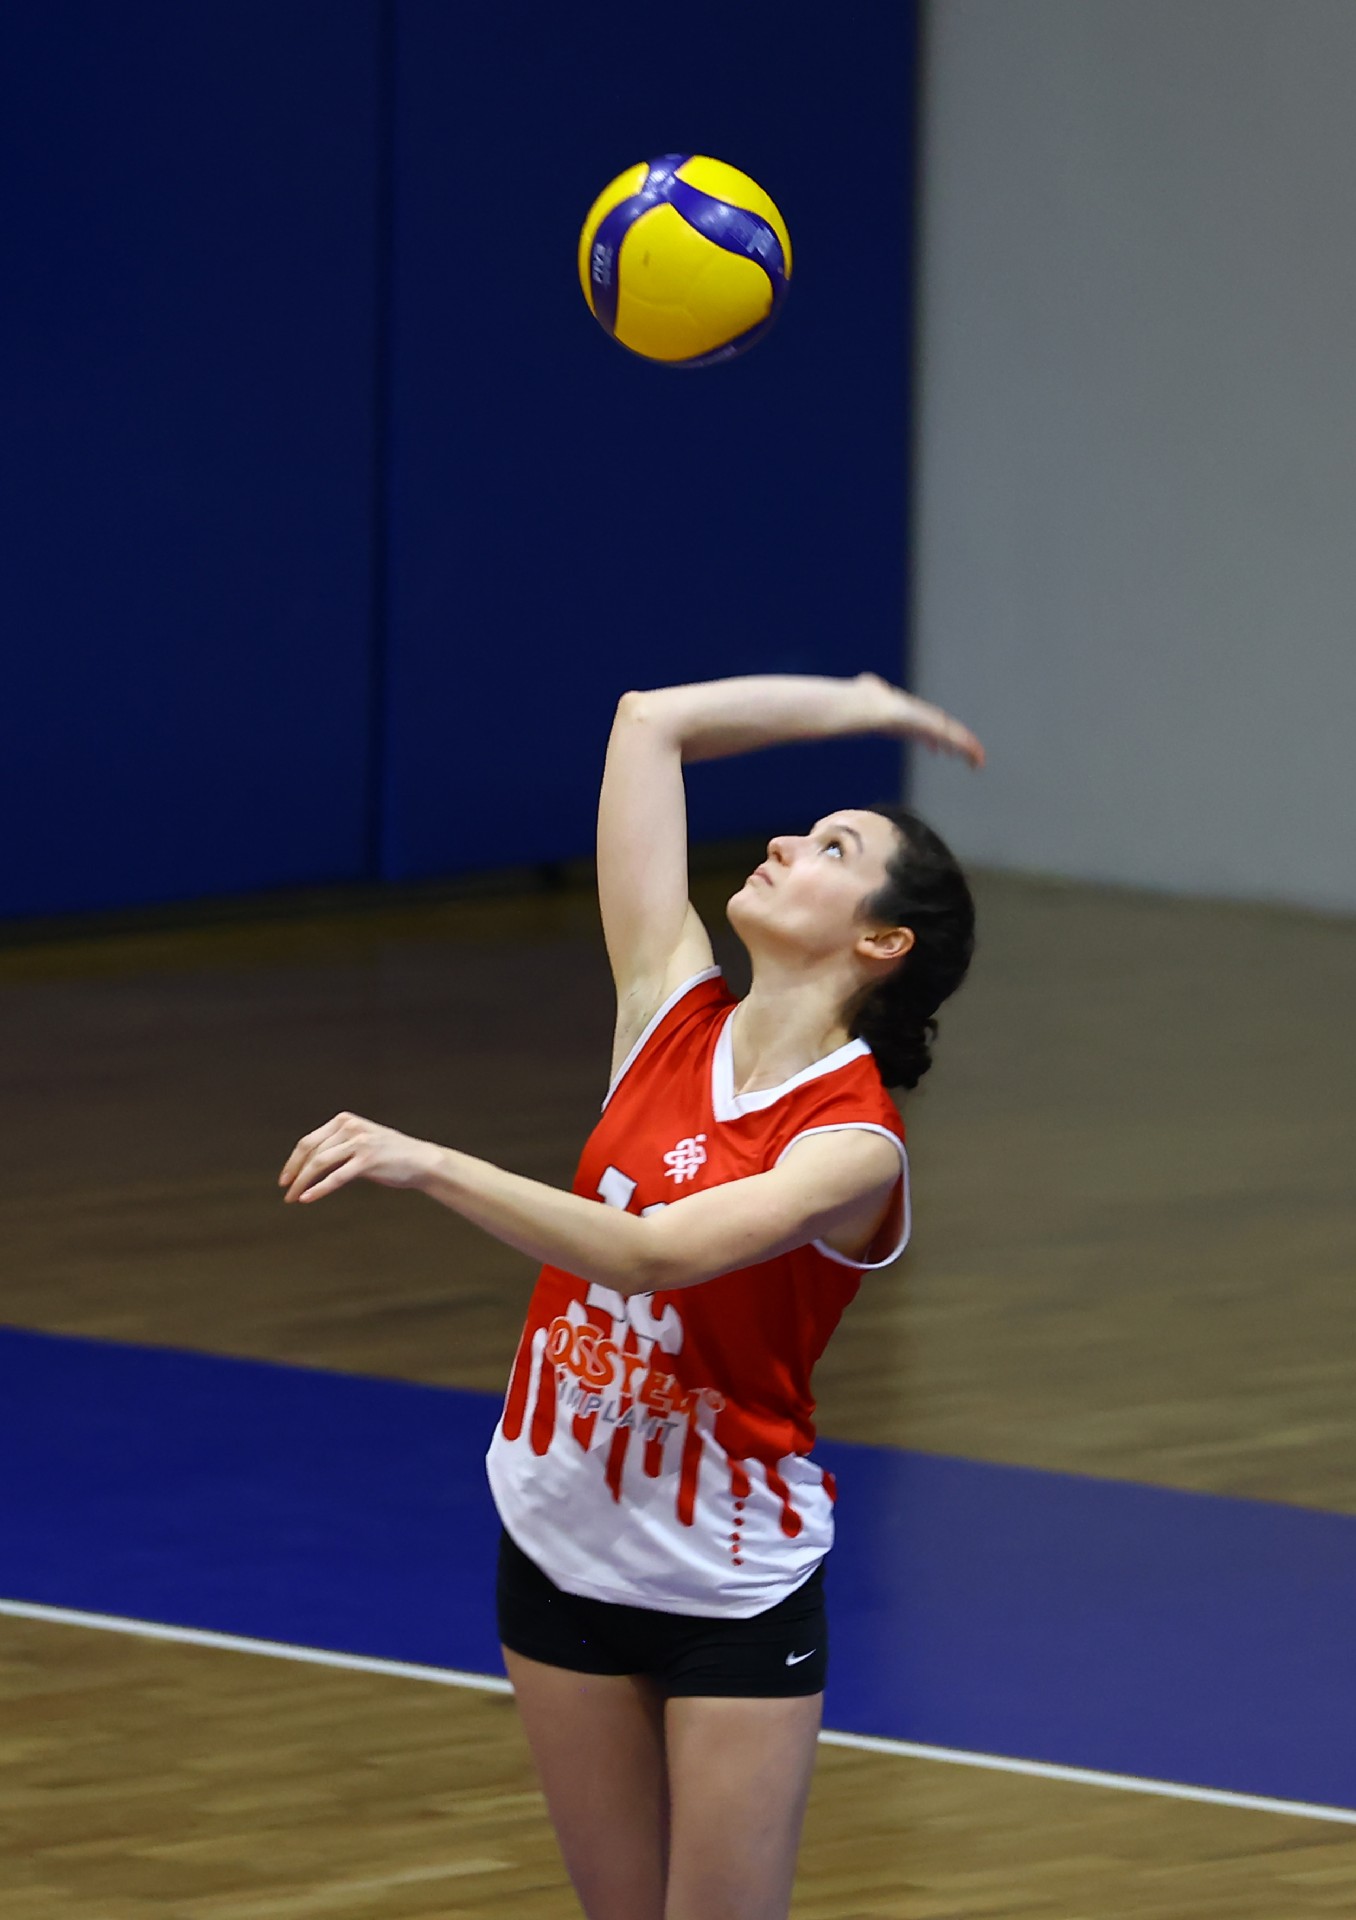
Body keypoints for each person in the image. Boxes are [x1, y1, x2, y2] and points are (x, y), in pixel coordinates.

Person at [279, 672, 983, 1920]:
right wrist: (860, 703)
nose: (786, 843)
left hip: (726, 1587)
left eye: (833, 850)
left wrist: (428, 1160)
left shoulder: (853, 1146)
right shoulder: (667, 1005)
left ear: (884, 943)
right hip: (558, 1542)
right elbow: (650, 722)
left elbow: (651, 1254)